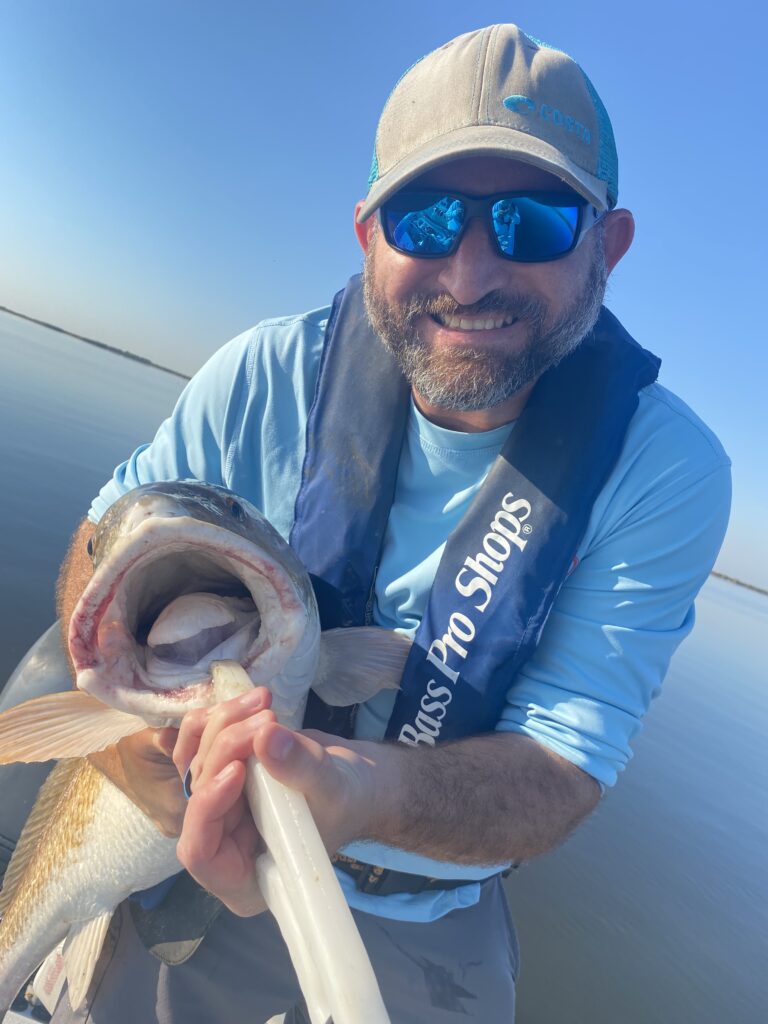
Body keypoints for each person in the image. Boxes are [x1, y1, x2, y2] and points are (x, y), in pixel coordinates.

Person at [51, 23, 731, 1024]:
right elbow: (100, 536)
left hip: (425, 918)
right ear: (368, 232)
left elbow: (562, 764)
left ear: (609, 245)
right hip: (178, 842)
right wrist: (143, 750)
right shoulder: (263, 375)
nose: (470, 274)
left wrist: (352, 793)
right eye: (427, 217)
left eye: (534, 223)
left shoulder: (662, 471)